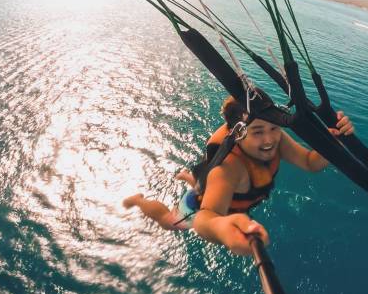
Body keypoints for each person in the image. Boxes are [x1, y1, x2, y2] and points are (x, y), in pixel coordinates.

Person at [123, 95, 354, 255]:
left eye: (274, 128)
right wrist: (222, 229)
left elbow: (308, 162)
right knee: (168, 221)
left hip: (229, 196)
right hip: (198, 205)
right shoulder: (228, 170)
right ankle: (139, 201)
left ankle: (191, 177)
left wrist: (335, 142)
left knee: (208, 184)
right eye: (257, 132)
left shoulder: (274, 138)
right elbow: (205, 218)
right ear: (238, 133)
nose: (269, 139)